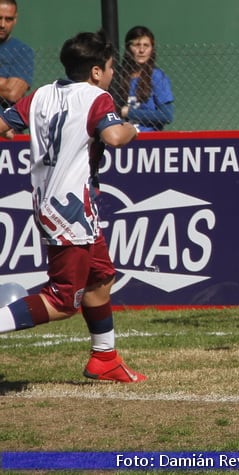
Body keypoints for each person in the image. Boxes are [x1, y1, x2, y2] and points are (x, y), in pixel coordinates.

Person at [0, 31, 146, 383]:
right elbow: (113, 137)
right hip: (71, 208)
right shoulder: (98, 97)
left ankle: (105, 358)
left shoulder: (40, 95)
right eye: (110, 68)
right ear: (97, 72)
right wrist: (132, 129)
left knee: (100, 278)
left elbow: (4, 124)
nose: (112, 74)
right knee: (64, 300)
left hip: (52, 202)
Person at [112, 25, 174, 132]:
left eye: (146, 45)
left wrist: (129, 113)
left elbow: (166, 116)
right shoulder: (117, 75)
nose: (141, 50)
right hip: (120, 138)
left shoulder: (157, 77)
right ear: (128, 48)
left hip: (148, 140)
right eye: (137, 45)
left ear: (152, 49)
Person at [0, 0, 34, 109]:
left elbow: (13, 93)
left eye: (8, 19)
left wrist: (9, 87)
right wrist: (4, 82)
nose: (2, 25)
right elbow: (7, 89)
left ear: (15, 19)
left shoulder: (22, 51)